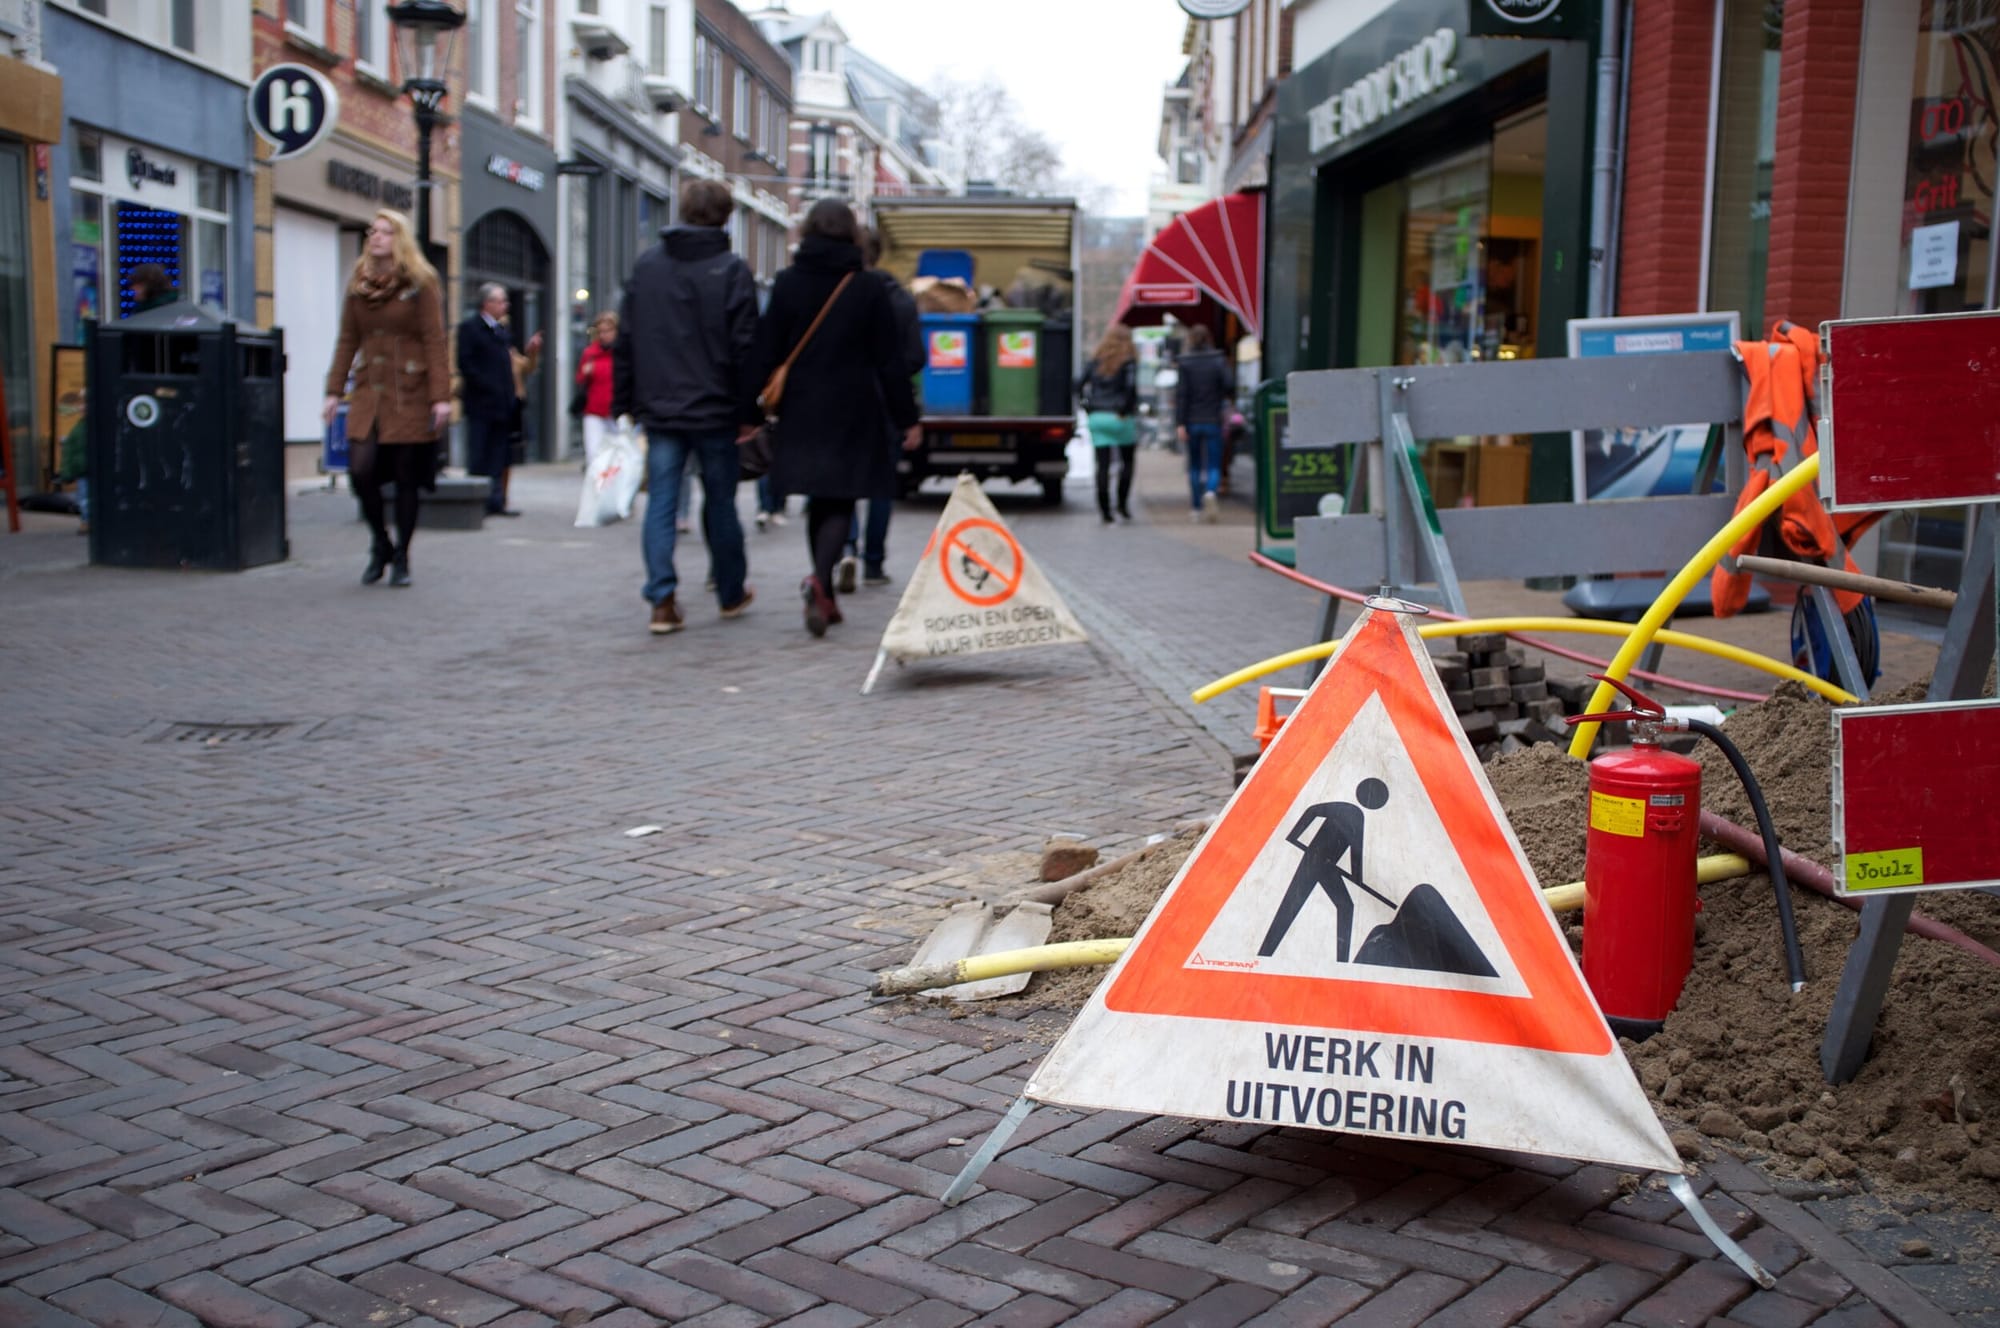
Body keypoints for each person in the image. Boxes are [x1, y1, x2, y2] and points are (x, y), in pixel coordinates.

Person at [752, 199, 920, 638]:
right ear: (852, 234)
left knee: (817, 498)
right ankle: (819, 583)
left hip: (801, 408)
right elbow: (889, 362)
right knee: (841, 498)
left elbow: (765, 350)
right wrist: (908, 418)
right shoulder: (866, 288)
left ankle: (822, 585)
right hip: (853, 408)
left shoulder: (787, 283)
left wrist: (745, 412)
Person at [612, 177, 758, 635]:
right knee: (720, 502)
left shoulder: (648, 267)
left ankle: (662, 598)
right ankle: (730, 592)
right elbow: (746, 347)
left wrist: (625, 400)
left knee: (661, 502)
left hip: (660, 407)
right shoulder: (731, 270)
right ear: (725, 215)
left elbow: (627, 339)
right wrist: (748, 411)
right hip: (715, 409)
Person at [323, 208, 451, 587]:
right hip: (368, 393)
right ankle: (381, 541)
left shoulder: (420, 283)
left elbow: (434, 340)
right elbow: (348, 339)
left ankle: (402, 557)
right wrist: (334, 390)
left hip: (409, 392)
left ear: (399, 238)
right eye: (371, 231)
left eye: (384, 232)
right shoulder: (358, 284)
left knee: (405, 476)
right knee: (361, 470)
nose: (375, 237)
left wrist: (440, 397)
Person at [834, 227, 924, 590]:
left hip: (843, 403)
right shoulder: (900, 299)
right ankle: (874, 562)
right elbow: (915, 358)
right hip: (886, 405)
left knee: (844, 481)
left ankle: (846, 547)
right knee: (881, 486)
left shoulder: (837, 295)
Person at [459, 283, 539, 517]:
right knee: (479, 453)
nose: (506, 305)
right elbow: (466, 364)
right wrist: (489, 387)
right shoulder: (471, 329)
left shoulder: (501, 332)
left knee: (499, 455)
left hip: (504, 405)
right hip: (481, 404)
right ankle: (475, 503)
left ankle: (496, 501)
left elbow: (519, 367)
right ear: (487, 303)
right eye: (501, 301)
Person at [1078, 324, 1140, 524]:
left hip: (1097, 417)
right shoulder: (1129, 362)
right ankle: (1122, 504)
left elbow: (1077, 384)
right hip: (1120, 417)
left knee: (1102, 464)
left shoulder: (1095, 361)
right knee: (1127, 462)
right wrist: (1124, 409)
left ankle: (1105, 510)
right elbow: (1130, 387)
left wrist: (1086, 405)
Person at [1175, 324, 1231, 522]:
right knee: (1214, 462)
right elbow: (1229, 385)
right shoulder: (1218, 360)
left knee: (1195, 464)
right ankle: (1210, 491)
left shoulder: (1185, 362)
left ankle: (1196, 507)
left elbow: (1182, 395)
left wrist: (1180, 423)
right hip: (1213, 418)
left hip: (1191, 420)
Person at [575, 311, 619, 467]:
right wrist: (586, 372)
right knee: (594, 455)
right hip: (594, 410)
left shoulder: (621, 353)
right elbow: (579, 378)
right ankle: (598, 489)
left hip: (617, 411)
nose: (603, 335)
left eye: (607, 331)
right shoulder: (590, 353)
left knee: (618, 457)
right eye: (600, 331)